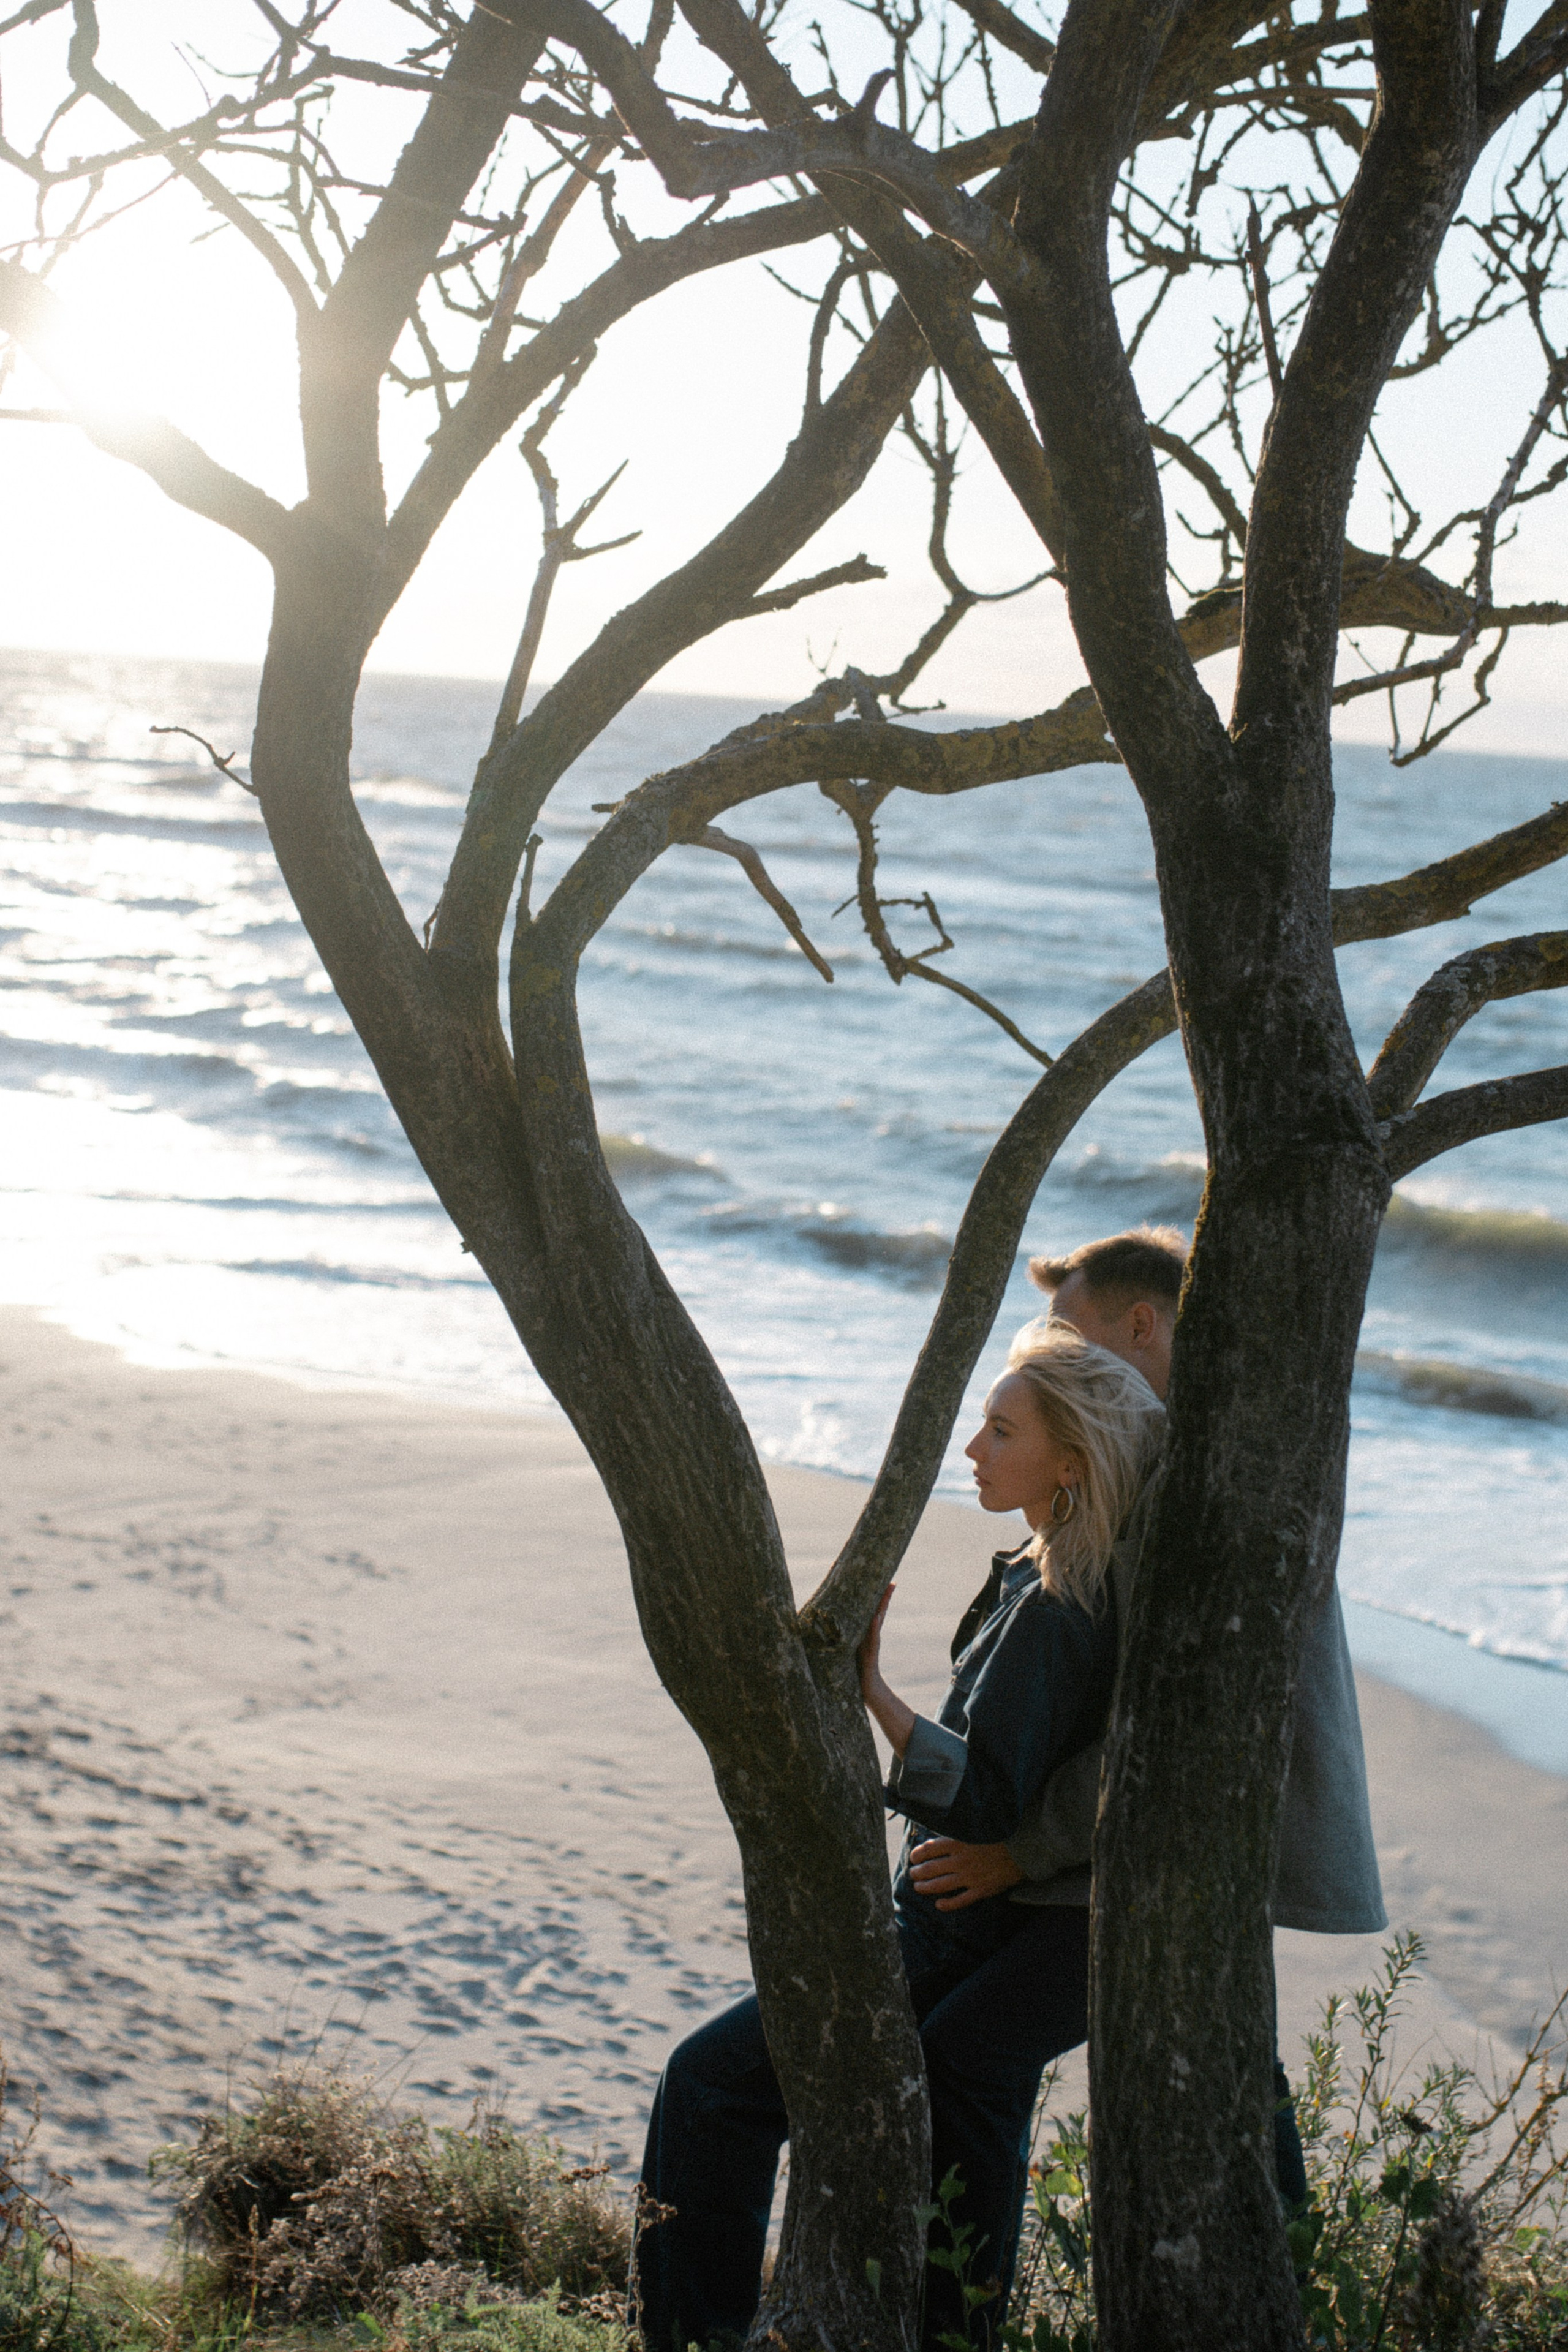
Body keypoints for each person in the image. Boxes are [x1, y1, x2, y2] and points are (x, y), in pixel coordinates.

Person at [633, 1325, 1164, 2352]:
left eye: (1000, 1430)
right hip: (940, 1922)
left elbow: (988, 1795)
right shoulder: (1036, 1569)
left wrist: (877, 1698)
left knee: (709, 2086)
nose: (972, 1447)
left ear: (1070, 1461)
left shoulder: (1061, 1603)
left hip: (949, 1930)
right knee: (722, 2086)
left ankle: (694, 2336)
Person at [910, 1224, 1387, 2210]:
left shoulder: (1197, 1487)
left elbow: (1172, 1731)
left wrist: (1017, 1849)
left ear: (1140, 1328)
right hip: (1132, 1841)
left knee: (1190, 2062)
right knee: (1216, 2058)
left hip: (1193, 1840)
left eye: (1067, 1336)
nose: (1048, 1356)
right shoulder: (1155, 1460)